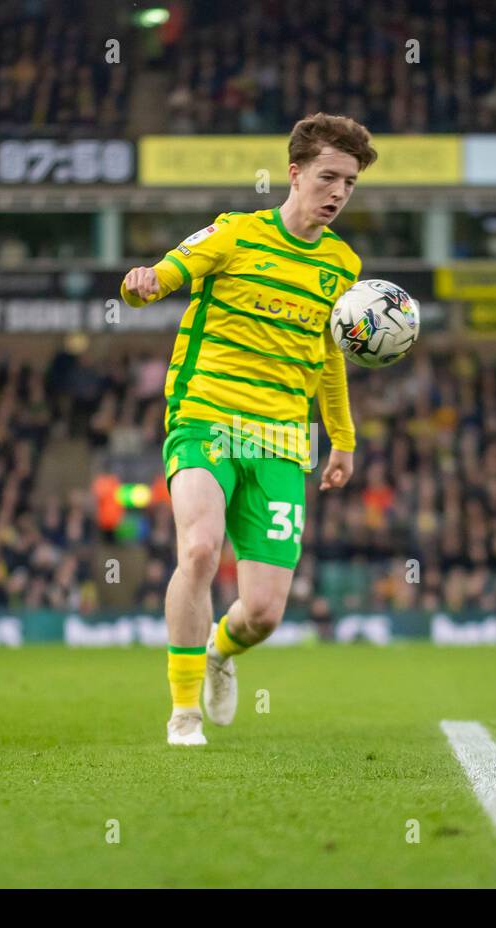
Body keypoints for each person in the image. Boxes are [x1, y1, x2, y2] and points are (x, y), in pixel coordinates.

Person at [120, 113, 376, 745]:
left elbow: (329, 357)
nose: (339, 192)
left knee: (262, 613)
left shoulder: (343, 266)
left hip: (284, 440)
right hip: (205, 415)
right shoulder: (234, 235)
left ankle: (218, 651)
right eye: (328, 177)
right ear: (294, 174)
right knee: (200, 549)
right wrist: (142, 285)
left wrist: (340, 436)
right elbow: (164, 274)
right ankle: (183, 713)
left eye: (349, 181)